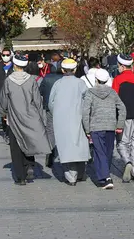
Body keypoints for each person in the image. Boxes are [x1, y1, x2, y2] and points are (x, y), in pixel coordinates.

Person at [0, 54, 50, 185]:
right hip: (31, 116)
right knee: (29, 140)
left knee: (16, 146)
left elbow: (4, 100)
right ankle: (29, 166)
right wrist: (40, 117)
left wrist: (3, 113)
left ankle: (20, 176)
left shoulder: (9, 80)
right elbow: (37, 100)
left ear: (15, 65)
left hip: (14, 117)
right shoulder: (32, 80)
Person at [82, 68, 126, 189]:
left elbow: (85, 111)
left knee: (99, 151)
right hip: (110, 126)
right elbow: (122, 108)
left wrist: (86, 129)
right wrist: (120, 125)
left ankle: (105, 177)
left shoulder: (90, 93)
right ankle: (105, 175)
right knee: (108, 151)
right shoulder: (112, 93)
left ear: (96, 79)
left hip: (95, 126)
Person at [49, 58, 90, 186]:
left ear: (62, 69)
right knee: (80, 146)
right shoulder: (80, 83)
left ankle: (71, 177)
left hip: (61, 120)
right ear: (75, 69)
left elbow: (51, 103)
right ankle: (81, 173)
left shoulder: (57, 84)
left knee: (65, 148)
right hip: (78, 117)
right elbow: (87, 100)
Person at [112, 54, 134, 183]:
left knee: (122, 143)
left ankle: (127, 161)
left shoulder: (117, 80)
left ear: (122, 66)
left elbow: (114, 98)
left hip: (124, 116)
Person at [39, 62, 63, 168]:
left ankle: (50, 151)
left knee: (50, 129)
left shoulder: (46, 78)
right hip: (63, 108)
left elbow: (41, 91)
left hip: (49, 107)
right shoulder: (64, 79)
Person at [0, 48, 14, 141]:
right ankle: (6, 131)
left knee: (12, 113)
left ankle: (12, 132)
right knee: (3, 113)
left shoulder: (14, 65)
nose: (5, 57)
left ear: (10, 55)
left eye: (7, 55)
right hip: (1, 93)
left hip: (12, 93)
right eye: (4, 55)